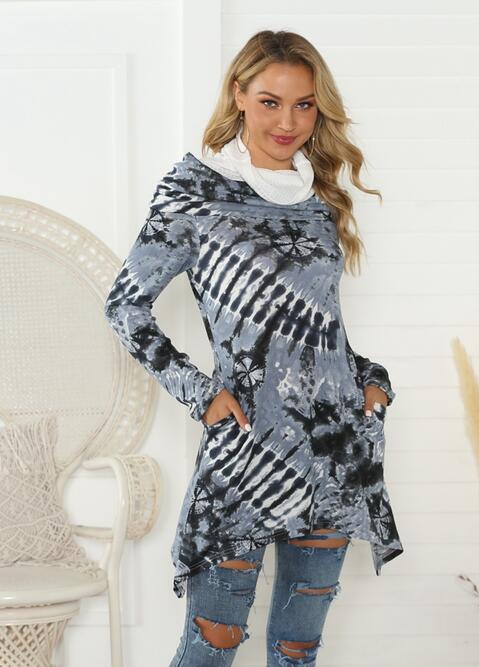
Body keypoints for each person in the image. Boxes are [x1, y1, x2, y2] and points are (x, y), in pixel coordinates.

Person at [103, 29, 403, 667]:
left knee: (298, 650)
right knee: (210, 648)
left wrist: (370, 382)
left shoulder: (319, 197)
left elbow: (319, 328)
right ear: (238, 94)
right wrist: (201, 394)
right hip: (245, 452)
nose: (287, 122)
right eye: (270, 102)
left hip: (332, 450)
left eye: (304, 105)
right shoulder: (195, 189)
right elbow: (124, 306)